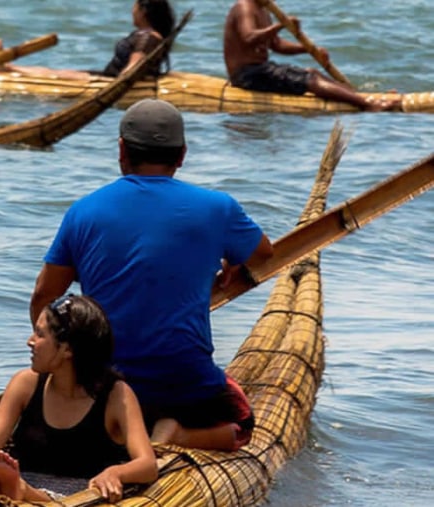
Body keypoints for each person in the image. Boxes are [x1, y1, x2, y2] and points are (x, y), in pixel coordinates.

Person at [30, 99, 275, 452]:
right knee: (243, 424)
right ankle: (180, 435)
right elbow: (263, 253)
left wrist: (54, 364)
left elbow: (43, 296)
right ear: (182, 155)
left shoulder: (84, 211)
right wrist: (230, 258)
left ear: (121, 150)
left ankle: (119, 432)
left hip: (105, 387)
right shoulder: (218, 208)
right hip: (185, 385)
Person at [0, 294, 157, 502]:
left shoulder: (115, 396)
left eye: (40, 334)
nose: (30, 341)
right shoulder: (25, 384)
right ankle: (10, 488)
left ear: (67, 349)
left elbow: (147, 465)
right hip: (25, 479)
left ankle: (18, 491)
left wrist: (115, 472)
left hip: (78, 497)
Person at [223, 0, 399, 111]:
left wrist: (308, 49)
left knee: (313, 72)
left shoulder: (264, 10)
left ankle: (359, 97)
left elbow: (276, 44)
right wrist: (281, 25)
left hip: (260, 70)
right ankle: (368, 105)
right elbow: (248, 38)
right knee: (310, 80)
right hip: (247, 75)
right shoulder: (245, 6)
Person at [0, 0, 176, 81]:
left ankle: (6, 67)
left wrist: (112, 87)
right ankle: (8, 66)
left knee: (55, 75)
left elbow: (133, 67)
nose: (131, 11)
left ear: (143, 12)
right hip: (106, 76)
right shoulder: (152, 36)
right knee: (57, 71)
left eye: (134, 7)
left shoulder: (147, 37)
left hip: (108, 81)